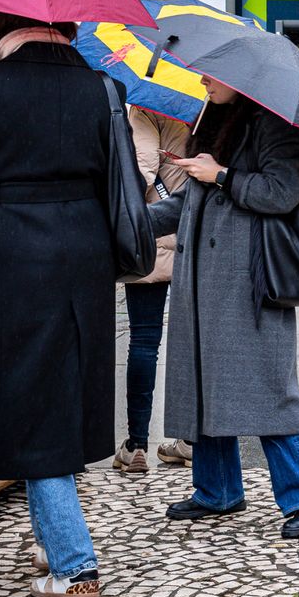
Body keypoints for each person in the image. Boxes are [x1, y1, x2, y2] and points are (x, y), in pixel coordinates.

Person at [0, 13, 122, 597]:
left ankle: (73, 562)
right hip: (86, 249)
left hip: (18, 254)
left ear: (3, 26)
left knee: (29, 396)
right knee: (63, 387)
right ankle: (48, 540)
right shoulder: (99, 85)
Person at [151, 77, 299, 540]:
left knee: (262, 384)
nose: (202, 81)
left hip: (249, 278)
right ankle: (216, 489)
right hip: (206, 276)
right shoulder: (214, 119)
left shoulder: (273, 125)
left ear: (240, 79)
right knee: (208, 379)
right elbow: (189, 199)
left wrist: (219, 174)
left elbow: (281, 192)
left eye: (211, 76)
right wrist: (129, 222)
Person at [114, 106, 193, 473]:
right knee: (192, 341)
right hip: (197, 238)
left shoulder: (151, 106)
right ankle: (190, 439)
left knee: (144, 341)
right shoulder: (208, 104)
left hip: (156, 239)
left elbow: (142, 172)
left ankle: (137, 445)